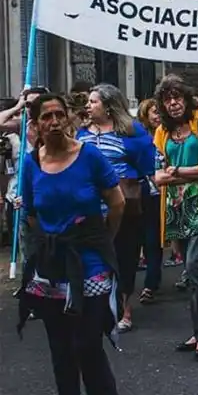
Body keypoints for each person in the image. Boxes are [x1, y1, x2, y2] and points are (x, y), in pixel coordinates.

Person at [17, 93, 125, 395]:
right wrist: (48, 242)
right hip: (53, 267)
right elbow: (31, 213)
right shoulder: (31, 163)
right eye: (46, 117)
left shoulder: (89, 156)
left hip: (90, 264)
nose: (53, 122)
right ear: (36, 124)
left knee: (87, 346)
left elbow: (116, 202)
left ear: (67, 118)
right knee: (61, 351)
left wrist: (103, 239)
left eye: (58, 115)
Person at [77, 83, 155, 334]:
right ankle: (96, 307)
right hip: (88, 208)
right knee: (92, 258)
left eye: (93, 101)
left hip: (122, 207)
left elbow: (146, 165)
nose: (88, 106)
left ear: (108, 106)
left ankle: (125, 308)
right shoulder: (81, 134)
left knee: (123, 256)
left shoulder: (131, 132)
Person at [152, 75, 198, 361]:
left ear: (187, 98)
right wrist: (186, 171)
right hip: (175, 208)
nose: (173, 103)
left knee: (194, 266)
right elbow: (156, 176)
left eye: (177, 97)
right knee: (190, 273)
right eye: (167, 99)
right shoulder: (161, 132)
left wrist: (176, 173)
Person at [136, 98, 164, 304]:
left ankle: (151, 283)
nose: (158, 116)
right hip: (141, 192)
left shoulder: (167, 133)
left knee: (153, 240)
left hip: (161, 193)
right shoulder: (138, 136)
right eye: (154, 112)